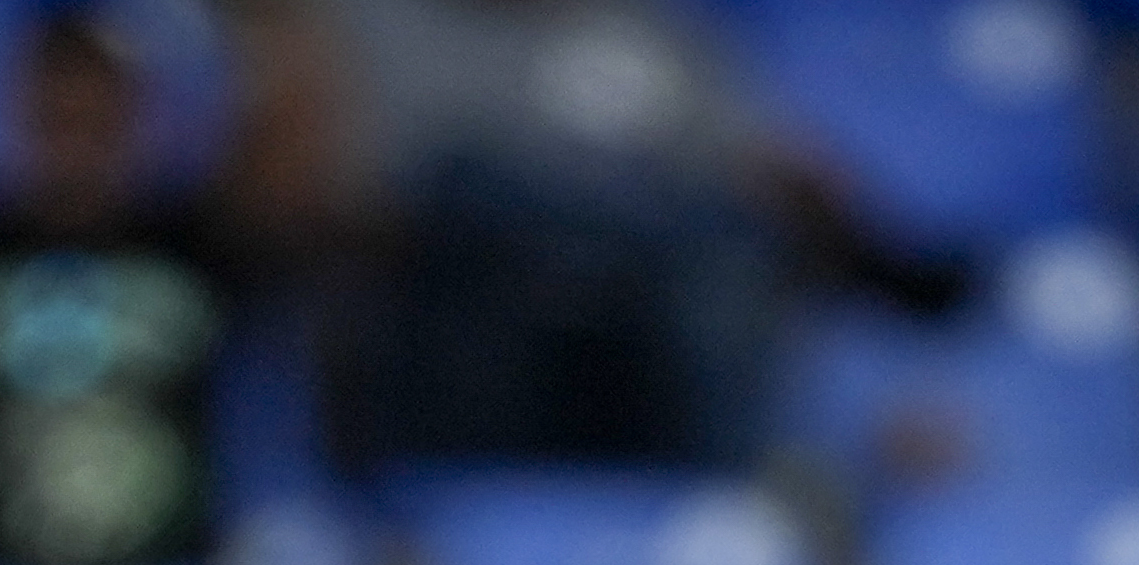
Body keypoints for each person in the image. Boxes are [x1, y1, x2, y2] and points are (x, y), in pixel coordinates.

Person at [242, 0, 967, 472]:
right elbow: (321, 213)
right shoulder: (366, 28)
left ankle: (743, 486)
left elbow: (755, 180)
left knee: (717, 259)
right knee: (481, 208)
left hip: (647, 344)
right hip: (453, 344)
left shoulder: (653, 35)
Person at [0, 6, 288, 565]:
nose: (76, 145)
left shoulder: (198, 244)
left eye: (96, 120)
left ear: (137, 119)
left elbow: (291, 160)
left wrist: (266, 21)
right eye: (56, 120)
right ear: (14, 116)